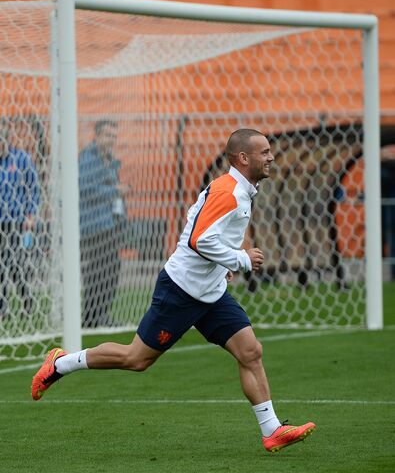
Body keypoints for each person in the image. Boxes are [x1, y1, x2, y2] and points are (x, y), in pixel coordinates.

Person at [32, 128, 316, 453]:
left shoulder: (238, 191)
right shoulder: (229, 192)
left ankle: (272, 430)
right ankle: (60, 364)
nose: (271, 157)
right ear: (243, 157)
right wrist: (239, 259)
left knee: (250, 351)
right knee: (136, 359)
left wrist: (221, 267)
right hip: (181, 291)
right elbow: (199, 239)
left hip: (210, 292)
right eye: (264, 152)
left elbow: (201, 228)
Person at [79, 119, 129, 328]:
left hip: (108, 222)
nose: (111, 140)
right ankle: (92, 317)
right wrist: (115, 191)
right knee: (99, 270)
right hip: (93, 224)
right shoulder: (88, 159)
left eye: (114, 136)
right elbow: (84, 188)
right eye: (108, 135)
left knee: (108, 268)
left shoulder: (109, 159)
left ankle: (98, 315)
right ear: (97, 136)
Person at [0, 118, 40, 317]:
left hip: (14, 222)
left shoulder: (21, 159)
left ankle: (27, 303)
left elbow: (33, 189)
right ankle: (3, 308)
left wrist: (30, 215)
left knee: (15, 264)